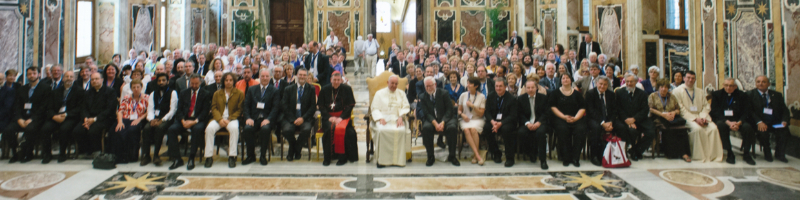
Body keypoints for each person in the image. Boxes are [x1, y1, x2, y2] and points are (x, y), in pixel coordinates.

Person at [672, 71, 723, 163]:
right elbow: (681, 108)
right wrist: (695, 119)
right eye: (688, 77)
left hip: (702, 116)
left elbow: (706, 106)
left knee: (713, 129)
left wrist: (703, 117)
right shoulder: (677, 91)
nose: (690, 80)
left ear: (695, 79)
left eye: (692, 78)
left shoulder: (700, 91)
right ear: (684, 78)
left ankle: (713, 156)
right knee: (697, 129)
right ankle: (700, 156)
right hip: (687, 117)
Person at [4, 67, 51, 163]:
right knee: (8, 130)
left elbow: (44, 107)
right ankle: (15, 153)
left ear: (38, 74)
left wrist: (33, 118)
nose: (31, 75)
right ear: (26, 76)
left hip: (37, 118)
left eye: (34, 73)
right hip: (22, 118)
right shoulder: (22, 89)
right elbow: (16, 106)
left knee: (30, 129)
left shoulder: (45, 88)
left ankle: (28, 152)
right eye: (29, 74)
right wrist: (19, 119)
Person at [167, 74, 210, 170]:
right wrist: (182, 121)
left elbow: (205, 112)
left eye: (196, 84)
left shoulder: (205, 94)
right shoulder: (183, 93)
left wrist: (194, 122)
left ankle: (191, 157)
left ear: (200, 82)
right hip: (185, 118)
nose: (194, 86)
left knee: (197, 130)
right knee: (171, 130)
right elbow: (179, 110)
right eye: (192, 83)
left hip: (198, 119)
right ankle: (177, 159)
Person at [710, 78, 755, 165]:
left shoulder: (742, 95)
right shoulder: (717, 94)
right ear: (723, 85)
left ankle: (746, 153)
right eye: (726, 85)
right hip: (723, 120)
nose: (728, 88)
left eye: (731, 86)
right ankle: (729, 152)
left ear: (735, 86)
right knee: (720, 125)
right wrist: (728, 122)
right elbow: (715, 111)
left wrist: (739, 122)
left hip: (738, 120)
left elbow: (746, 111)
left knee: (748, 127)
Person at [241, 69, 280, 166]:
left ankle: (263, 156)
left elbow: (276, 108)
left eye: (267, 76)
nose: (265, 78)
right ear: (259, 77)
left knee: (265, 130)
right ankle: (251, 156)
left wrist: (268, 119)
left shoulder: (274, 91)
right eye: (263, 76)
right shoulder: (251, 89)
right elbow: (246, 105)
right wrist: (248, 118)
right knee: (247, 129)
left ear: (270, 77)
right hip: (253, 118)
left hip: (267, 119)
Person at [204, 73, 244, 168]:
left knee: (234, 129)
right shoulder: (217, 93)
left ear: (234, 81)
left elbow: (240, 109)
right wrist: (220, 119)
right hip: (218, 118)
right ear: (223, 82)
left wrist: (229, 119)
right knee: (209, 129)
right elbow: (213, 108)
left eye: (230, 80)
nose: (228, 82)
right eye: (226, 80)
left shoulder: (239, 93)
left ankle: (232, 156)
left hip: (232, 119)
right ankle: (209, 156)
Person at [318, 72, 358, 166]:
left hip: (343, 117)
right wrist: (329, 117)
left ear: (341, 80)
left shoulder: (347, 89)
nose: (336, 82)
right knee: (328, 130)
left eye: (338, 80)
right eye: (334, 80)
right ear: (331, 80)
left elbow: (350, 106)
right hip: (328, 117)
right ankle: (327, 158)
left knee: (348, 132)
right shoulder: (324, 89)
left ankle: (342, 157)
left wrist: (341, 118)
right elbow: (321, 106)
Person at [747, 75, 790, 163]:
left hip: (774, 122)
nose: (761, 84)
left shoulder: (777, 95)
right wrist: (759, 121)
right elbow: (749, 111)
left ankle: (780, 153)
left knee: (784, 131)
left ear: (769, 84)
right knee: (763, 131)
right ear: (755, 83)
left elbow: (784, 110)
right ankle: (767, 152)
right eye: (758, 82)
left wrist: (784, 121)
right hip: (759, 122)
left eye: (763, 82)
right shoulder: (750, 95)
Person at [371, 75, 411, 168]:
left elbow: (406, 106)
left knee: (401, 131)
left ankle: (398, 161)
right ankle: (382, 161)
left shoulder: (401, 93)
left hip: (397, 118)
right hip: (383, 119)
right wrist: (380, 118)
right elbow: (374, 108)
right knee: (381, 131)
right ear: (387, 83)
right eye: (392, 83)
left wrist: (401, 116)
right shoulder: (379, 93)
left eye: (396, 84)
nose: (394, 85)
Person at [73, 72, 116, 156]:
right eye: (92, 79)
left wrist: (95, 119)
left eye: (96, 79)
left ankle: (97, 151)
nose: (94, 81)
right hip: (88, 119)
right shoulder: (87, 92)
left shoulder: (110, 91)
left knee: (93, 130)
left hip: (103, 118)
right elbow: (83, 107)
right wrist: (86, 118)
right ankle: (84, 151)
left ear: (102, 80)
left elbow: (109, 109)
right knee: (77, 130)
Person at [585, 76, 626, 166]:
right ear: (596, 84)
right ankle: (595, 156)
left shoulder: (611, 94)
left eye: (605, 84)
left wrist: (611, 122)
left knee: (622, 127)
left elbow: (614, 110)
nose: (602, 86)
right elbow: (591, 111)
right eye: (600, 84)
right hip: (595, 119)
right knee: (596, 128)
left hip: (609, 119)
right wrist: (603, 123)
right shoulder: (590, 94)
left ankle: (620, 154)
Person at [648, 78, 691, 162]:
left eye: (666, 87)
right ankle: (671, 153)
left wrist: (673, 113)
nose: (664, 89)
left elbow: (678, 109)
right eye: (661, 87)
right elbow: (651, 109)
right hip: (658, 117)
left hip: (672, 117)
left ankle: (684, 153)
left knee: (682, 129)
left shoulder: (672, 96)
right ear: (658, 87)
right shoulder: (652, 96)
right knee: (668, 128)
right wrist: (663, 115)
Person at [419, 77, 459, 166]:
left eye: (430, 86)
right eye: (426, 86)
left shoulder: (444, 93)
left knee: (452, 127)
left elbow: (449, 110)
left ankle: (452, 156)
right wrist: (435, 123)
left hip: (446, 118)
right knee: (426, 128)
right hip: (432, 119)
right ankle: (430, 156)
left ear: (435, 85)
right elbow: (426, 113)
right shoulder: (423, 96)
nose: (428, 88)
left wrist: (443, 122)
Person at [140, 73, 178, 166]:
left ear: (167, 81)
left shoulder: (173, 93)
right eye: (159, 81)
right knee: (146, 128)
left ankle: (156, 155)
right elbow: (150, 109)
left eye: (163, 80)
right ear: (157, 82)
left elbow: (172, 110)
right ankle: (146, 155)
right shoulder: (153, 93)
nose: (161, 82)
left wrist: (162, 120)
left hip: (167, 119)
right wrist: (151, 120)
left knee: (160, 128)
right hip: (154, 118)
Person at [550, 73, 587, 167]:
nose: (565, 79)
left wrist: (575, 118)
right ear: (561, 81)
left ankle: (575, 158)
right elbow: (553, 107)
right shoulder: (555, 93)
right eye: (563, 78)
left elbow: (582, 107)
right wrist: (564, 117)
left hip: (576, 118)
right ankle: (566, 158)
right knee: (563, 130)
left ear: (571, 80)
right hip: (560, 119)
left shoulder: (577, 94)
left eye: (567, 78)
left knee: (580, 130)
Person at [281, 68, 316, 161]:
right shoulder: (288, 89)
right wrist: (293, 119)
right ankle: (295, 147)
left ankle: (294, 149)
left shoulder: (311, 89)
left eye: (304, 75)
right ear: (296, 75)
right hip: (290, 118)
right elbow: (284, 106)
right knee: (286, 130)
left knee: (307, 129)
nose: (302, 77)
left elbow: (313, 107)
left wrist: (303, 118)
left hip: (305, 118)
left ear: (307, 76)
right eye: (300, 74)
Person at [110, 80, 148, 164]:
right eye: (134, 87)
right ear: (131, 88)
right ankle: (120, 157)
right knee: (119, 131)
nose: (136, 89)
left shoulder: (146, 98)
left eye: (138, 87)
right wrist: (120, 122)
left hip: (138, 119)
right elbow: (120, 111)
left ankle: (132, 156)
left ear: (141, 88)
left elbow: (148, 112)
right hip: (125, 119)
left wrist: (139, 119)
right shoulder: (127, 98)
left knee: (132, 130)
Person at [483, 77, 519, 167]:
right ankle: (496, 153)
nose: (498, 88)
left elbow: (513, 116)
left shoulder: (511, 98)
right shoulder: (491, 96)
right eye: (496, 86)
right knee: (487, 128)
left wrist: (501, 123)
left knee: (506, 130)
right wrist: (492, 122)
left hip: (507, 122)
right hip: (494, 121)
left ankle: (510, 157)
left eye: (500, 86)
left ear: (505, 87)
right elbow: (487, 112)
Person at [517, 78, 550, 169]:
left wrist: (538, 123)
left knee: (540, 133)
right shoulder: (521, 99)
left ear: (536, 88)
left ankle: (543, 160)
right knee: (522, 132)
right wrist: (527, 123)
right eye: (528, 88)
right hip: (527, 122)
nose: (530, 89)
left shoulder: (543, 98)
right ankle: (531, 153)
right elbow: (520, 114)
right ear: (525, 88)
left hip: (540, 122)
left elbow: (546, 113)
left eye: (532, 87)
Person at [457, 77, 486, 166]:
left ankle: (475, 155)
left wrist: (473, 106)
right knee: (466, 130)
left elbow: (481, 113)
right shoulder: (463, 95)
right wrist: (462, 115)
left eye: (470, 84)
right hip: (466, 119)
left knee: (473, 129)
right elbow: (459, 110)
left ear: (476, 86)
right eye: (467, 83)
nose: (468, 85)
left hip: (477, 119)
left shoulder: (481, 96)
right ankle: (477, 155)